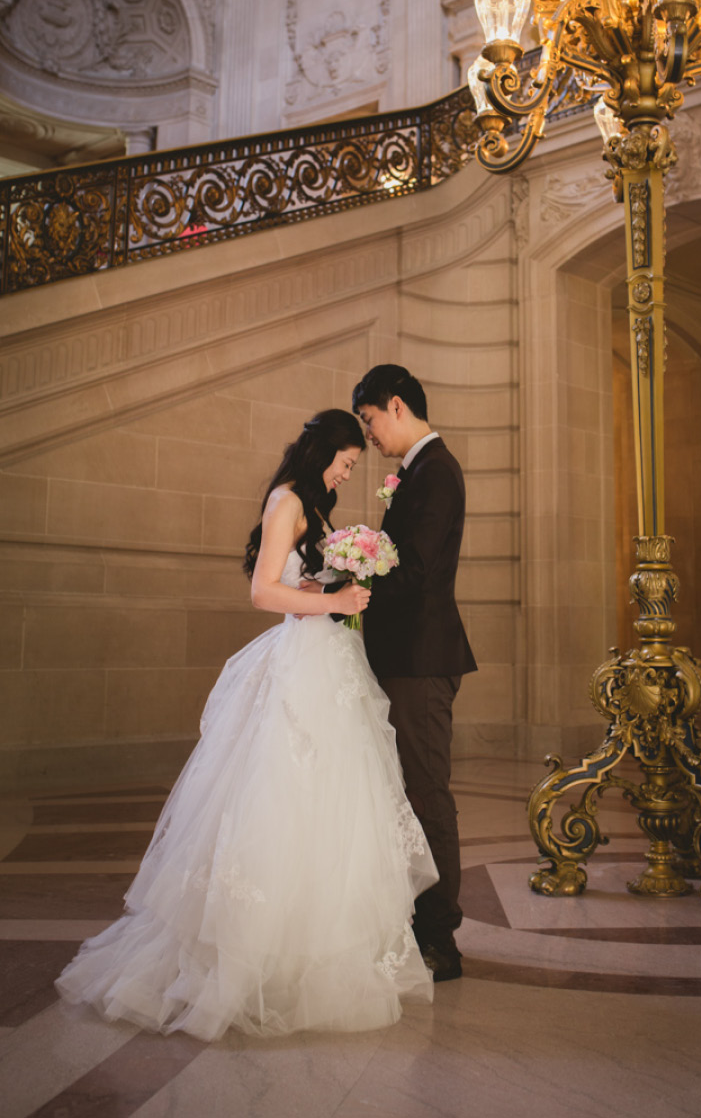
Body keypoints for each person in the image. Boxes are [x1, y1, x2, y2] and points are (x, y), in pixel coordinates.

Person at [55, 409, 437, 1040]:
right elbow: (263, 592)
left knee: (332, 807)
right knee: (281, 801)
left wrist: (344, 577)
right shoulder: (286, 501)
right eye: (345, 462)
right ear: (324, 451)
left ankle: (317, 945)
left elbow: (304, 577)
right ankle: (255, 958)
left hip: (331, 662)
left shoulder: (312, 507)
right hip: (302, 663)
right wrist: (334, 599)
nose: (347, 472)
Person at [352, 365, 477, 982]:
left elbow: (418, 571)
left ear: (396, 407)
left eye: (370, 421)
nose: (369, 434)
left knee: (428, 798)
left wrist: (352, 582)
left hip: (421, 664)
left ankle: (440, 941)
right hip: (403, 660)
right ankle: (412, 925)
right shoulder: (419, 472)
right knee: (406, 796)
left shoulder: (436, 472)